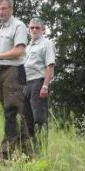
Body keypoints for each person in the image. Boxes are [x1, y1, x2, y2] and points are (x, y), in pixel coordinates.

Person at [0, 0, 31, 158]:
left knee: (14, 113)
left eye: (4, 8)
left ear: (11, 9)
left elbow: (19, 51)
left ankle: (9, 154)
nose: (1, 12)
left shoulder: (18, 26)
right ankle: (23, 154)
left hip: (14, 73)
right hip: (1, 73)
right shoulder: (1, 29)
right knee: (12, 113)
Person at [22, 18, 55, 153]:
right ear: (29, 30)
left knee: (39, 120)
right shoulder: (27, 47)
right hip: (26, 85)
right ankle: (30, 153)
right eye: (32, 28)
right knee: (27, 120)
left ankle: (40, 153)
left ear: (43, 30)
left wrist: (45, 85)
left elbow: (50, 65)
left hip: (38, 82)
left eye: (37, 28)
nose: (34, 30)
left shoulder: (47, 44)